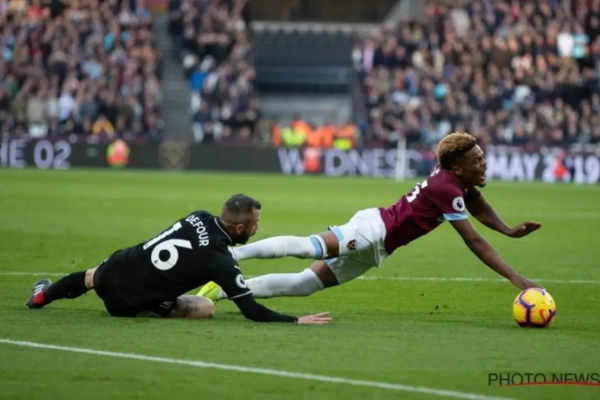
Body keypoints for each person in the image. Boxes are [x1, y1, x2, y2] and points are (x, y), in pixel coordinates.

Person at [197, 132, 544, 303]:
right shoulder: (446, 187)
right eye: (477, 160)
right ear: (458, 168)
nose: (484, 163)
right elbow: (473, 240)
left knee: (304, 285)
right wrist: (514, 277)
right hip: (371, 231)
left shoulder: (455, 183)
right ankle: (231, 255)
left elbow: (478, 205)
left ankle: (220, 292)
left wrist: (508, 231)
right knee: (308, 247)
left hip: (378, 248)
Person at [26, 194, 331, 325]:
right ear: (240, 228)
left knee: (92, 275)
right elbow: (251, 310)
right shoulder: (221, 261)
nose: (257, 229)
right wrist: (295, 320)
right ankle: (157, 305)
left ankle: (43, 296)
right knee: (206, 307)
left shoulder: (198, 215)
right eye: (255, 224)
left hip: (116, 268)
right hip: (128, 306)